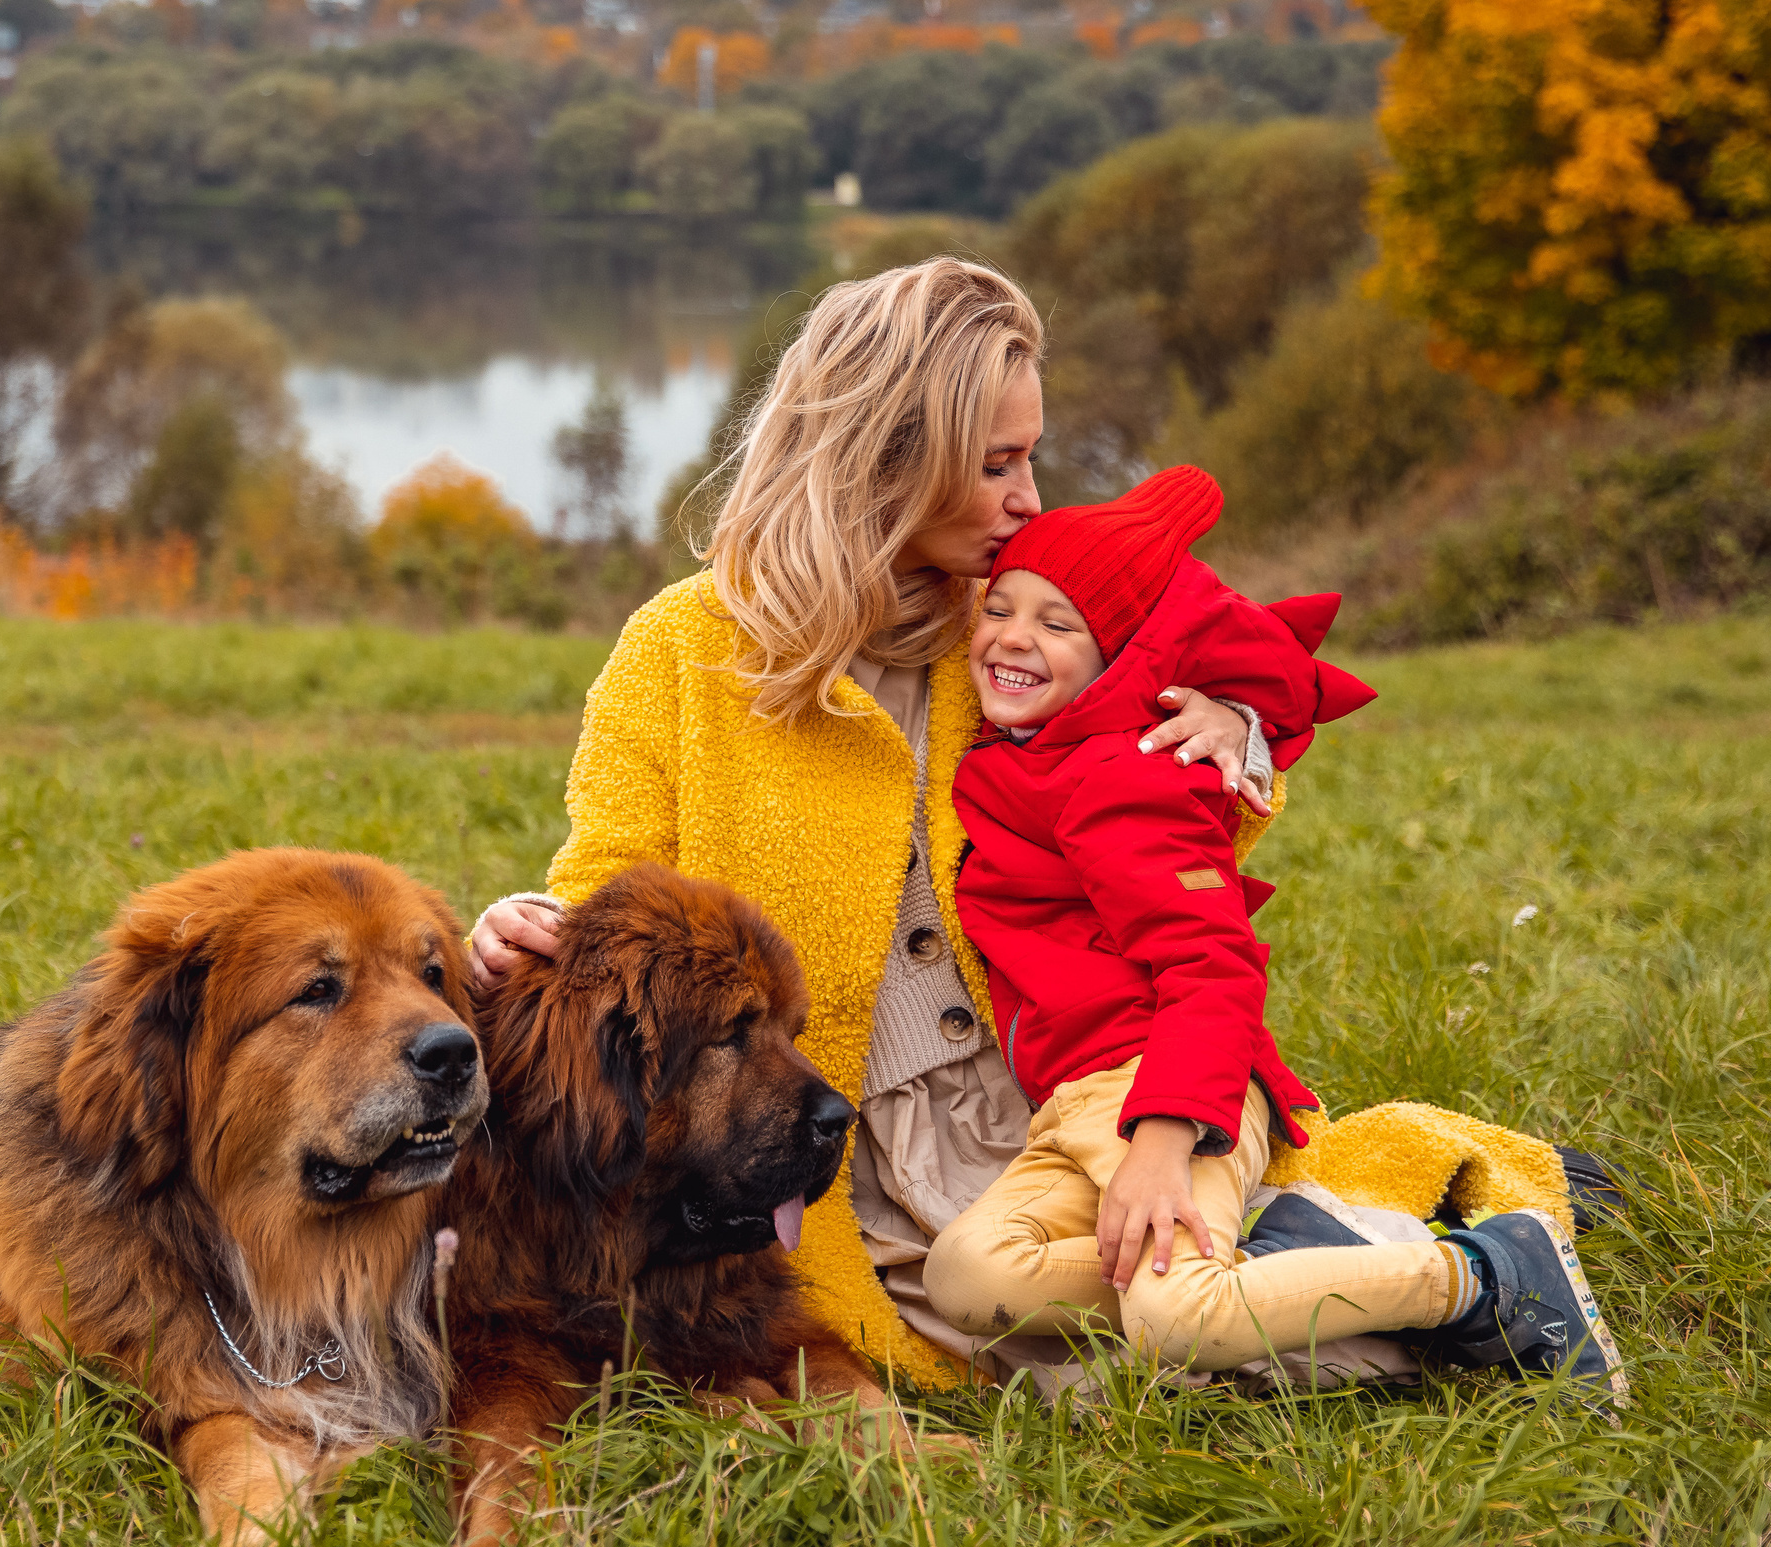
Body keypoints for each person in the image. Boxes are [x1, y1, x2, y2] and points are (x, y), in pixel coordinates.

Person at [466, 259, 1270, 1387]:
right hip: (830, 1153)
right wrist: (529, 925)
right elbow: (611, 888)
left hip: (1053, 1096)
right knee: (1041, 1354)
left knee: (1151, 1345)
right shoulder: (678, 652)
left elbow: (1173, 849)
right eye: (996, 465)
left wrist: (1236, 734)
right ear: (888, 458)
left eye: (1029, 457)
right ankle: (1339, 1269)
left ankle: (1417, 1271)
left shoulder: (1012, 633)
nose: (1029, 500)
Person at [920, 465, 1623, 1396]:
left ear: (1121, 658)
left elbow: (1214, 969)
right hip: (1071, 1103)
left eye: (1058, 625)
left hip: (1169, 1087)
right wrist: (1244, 718)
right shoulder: (1029, 756)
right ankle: (1282, 1254)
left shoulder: (1122, 781)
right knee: (965, 1278)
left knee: (1175, 1320)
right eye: (999, 608)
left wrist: (1167, 1138)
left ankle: (1485, 1274)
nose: (1012, 637)